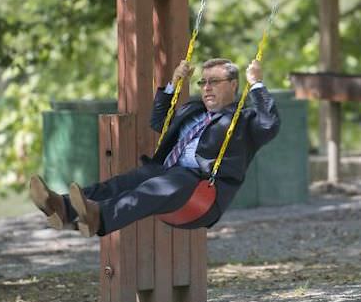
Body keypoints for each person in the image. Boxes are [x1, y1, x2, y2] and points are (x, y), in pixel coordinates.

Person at [29, 58, 280, 237]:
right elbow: (158, 121)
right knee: (123, 182)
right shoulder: (192, 110)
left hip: (202, 189)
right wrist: (173, 83)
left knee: (153, 187)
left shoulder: (244, 119)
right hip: (167, 172)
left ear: (234, 84)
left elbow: (270, 125)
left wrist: (257, 84)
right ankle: (63, 207)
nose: (206, 88)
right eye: (203, 82)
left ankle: (100, 216)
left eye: (214, 81)